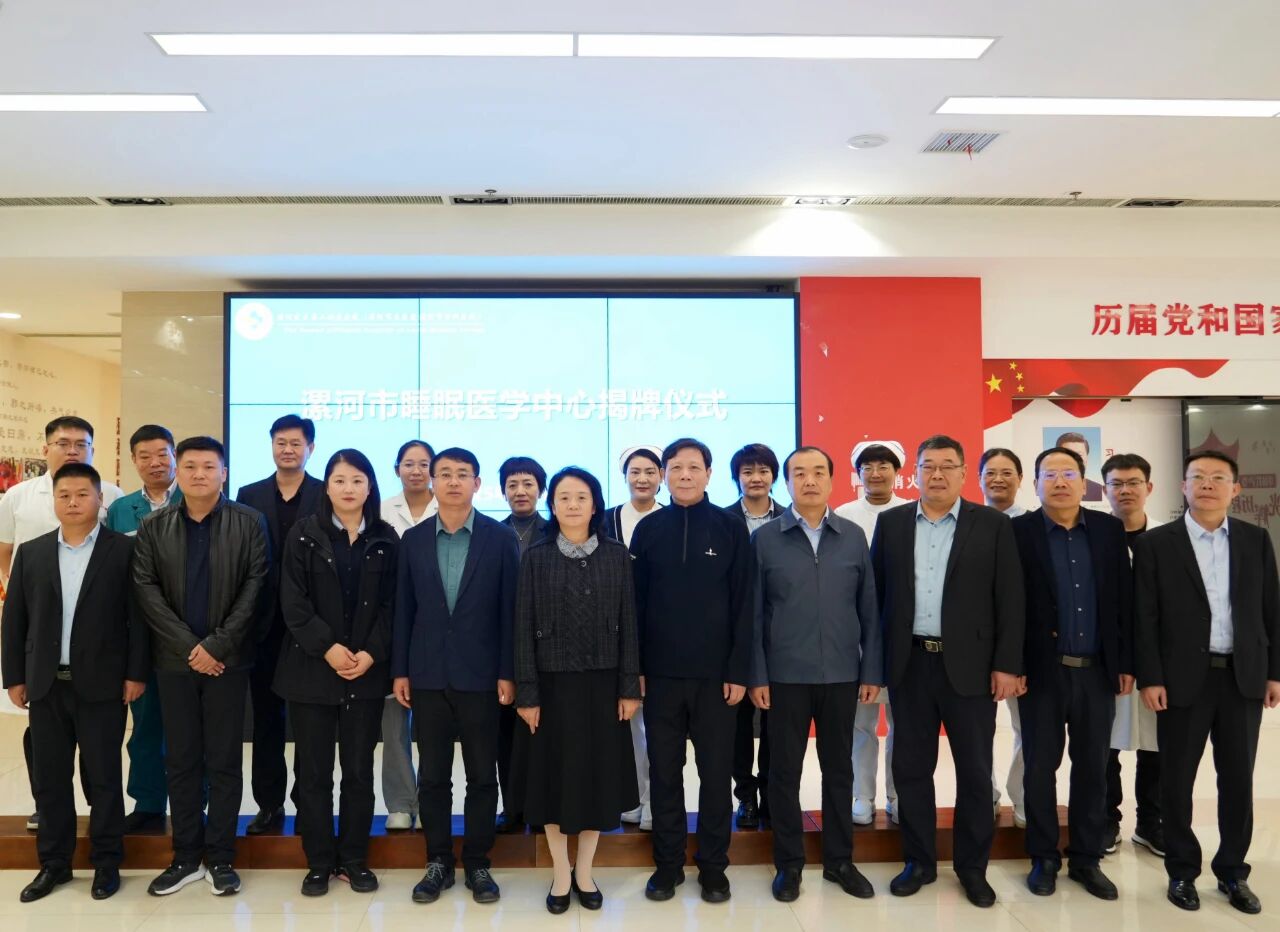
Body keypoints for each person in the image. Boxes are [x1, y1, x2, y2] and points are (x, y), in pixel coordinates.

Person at [870, 435, 1024, 909]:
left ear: (962, 473)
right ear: (915, 472)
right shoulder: (892, 523)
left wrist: (1006, 664)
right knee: (911, 768)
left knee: (975, 771)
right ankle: (918, 862)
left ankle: (972, 868)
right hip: (910, 664)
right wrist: (877, 665)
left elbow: (1010, 598)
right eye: (928, 466)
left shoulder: (992, 524)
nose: (937, 474)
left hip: (972, 669)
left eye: (947, 466)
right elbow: (877, 600)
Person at [1135, 450, 1280, 915]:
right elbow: (1145, 618)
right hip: (1181, 682)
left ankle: (1233, 872)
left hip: (1242, 678)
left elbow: (1271, 610)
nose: (1208, 485)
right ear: (1183, 486)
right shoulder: (1157, 544)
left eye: (1219, 478)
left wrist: (1274, 671)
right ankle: (1182, 871)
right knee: (1176, 781)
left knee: (1237, 780)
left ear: (1235, 489)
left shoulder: (1255, 540)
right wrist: (1150, 678)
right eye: (1198, 477)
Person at [2, 463, 148, 902]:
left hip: (103, 684)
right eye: (63, 494)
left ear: (100, 500)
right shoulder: (33, 552)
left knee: (102, 778)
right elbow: (15, 620)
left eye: (82, 494)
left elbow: (139, 619)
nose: (72, 502)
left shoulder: (124, 551)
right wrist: (14, 677)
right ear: (54, 500)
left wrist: (135, 673)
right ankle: (54, 863)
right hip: (46, 684)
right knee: (50, 779)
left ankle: (106, 862)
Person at [133, 436, 269, 896]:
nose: (198, 474)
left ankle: (222, 857)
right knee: (182, 760)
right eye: (189, 466)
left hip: (228, 664)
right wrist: (191, 647)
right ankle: (186, 856)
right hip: (174, 664)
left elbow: (255, 587)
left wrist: (217, 647)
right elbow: (146, 590)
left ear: (223, 474)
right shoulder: (153, 525)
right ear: (178, 470)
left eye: (208, 467)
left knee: (225, 760)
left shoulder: (249, 521)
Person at [749, 446, 882, 903]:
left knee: (839, 769)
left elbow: (870, 609)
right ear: (786, 483)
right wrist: (758, 674)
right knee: (783, 773)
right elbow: (753, 615)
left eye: (818, 472)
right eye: (799, 473)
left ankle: (839, 860)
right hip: (784, 676)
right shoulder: (766, 539)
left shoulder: (853, 536)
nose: (809, 480)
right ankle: (789, 864)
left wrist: (871, 669)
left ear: (831, 480)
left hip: (842, 673)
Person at [392, 447, 520, 906]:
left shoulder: (500, 539)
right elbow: (404, 610)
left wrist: (508, 672)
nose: (451, 481)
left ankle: (479, 862)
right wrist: (401, 670)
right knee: (433, 776)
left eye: (461, 474)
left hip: (483, 676)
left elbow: (511, 611)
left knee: (483, 775)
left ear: (476, 484)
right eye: (443, 473)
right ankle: (438, 861)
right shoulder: (413, 540)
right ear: (432, 481)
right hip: (427, 674)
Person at [511, 466, 641, 914]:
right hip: (550, 687)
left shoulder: (616, 555)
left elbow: (629, 626)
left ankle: (584, 870)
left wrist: (629, 688)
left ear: (594, 504)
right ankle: (560, 873)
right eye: (563, 497)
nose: (572, 504)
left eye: (581, 497)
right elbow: (522, 628)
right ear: (552, 504)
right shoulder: (536, 556)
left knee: (595, 782)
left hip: (603, 687)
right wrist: (527, 693)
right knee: (552, 782)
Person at [631, 438, 753, 904]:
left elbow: (744, 604)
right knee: (665, 773)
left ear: (708, 474)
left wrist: (738, 670)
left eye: (694, 467)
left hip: (716, 679)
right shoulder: (649, 529)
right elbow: (635, 605)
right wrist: (637, 668)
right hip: (660, 677)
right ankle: (667, 865)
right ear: (664, 474)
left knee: (716, 774)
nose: (685, 474)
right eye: (676, 467)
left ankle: (714, 868)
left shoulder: (730, 527)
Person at [276, 449, 398, 896]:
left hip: (365, 673)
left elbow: (392, 606)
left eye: (357, 480)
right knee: (313, 774)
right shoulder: (303, 535)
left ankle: (353, 859)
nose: (349, 489)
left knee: (358, 772)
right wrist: (327, 647)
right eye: (340, 480)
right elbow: (292, 601)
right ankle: (318, 862)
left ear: (370, 487)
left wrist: (370, 654)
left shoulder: (385, 538)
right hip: (312, 669)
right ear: (326, 486)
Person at [1013, 447, 1133, 901]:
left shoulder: (1107, 530)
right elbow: (1009, 605)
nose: (1060, 482)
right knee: (1040, 767)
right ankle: (1043, 857)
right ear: (1036, 484)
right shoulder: (1018, 532)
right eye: (1050, 475)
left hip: (1097, 673)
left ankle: (1086, 859)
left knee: (1093, 768)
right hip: (1041, 673)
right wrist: (1013, 665)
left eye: (1069, 473)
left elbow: (1122, 601)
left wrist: (1125, 663)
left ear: (1085, 484)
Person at [0, 415, 123, 832]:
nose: (72, 502)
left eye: (80, 444)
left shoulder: (115, 508)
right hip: (44, 657)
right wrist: (15, 673)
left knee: (102, 769)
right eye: (63, 443)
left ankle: (104, 850)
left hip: (99, 663)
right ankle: (52, 848)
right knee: (49, 767)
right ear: (46, 448)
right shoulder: (19, 502)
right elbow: (7, 561)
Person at [235, 414, 324, 835]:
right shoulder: (249, 494)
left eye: (295, 443)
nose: (287, 449)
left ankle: (308, 804)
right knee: (267, 721)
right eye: (280, 442)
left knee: (310, 722)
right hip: (264, 625)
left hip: (312, 625)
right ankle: (269, 805)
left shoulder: (326, 493)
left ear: (310, 448)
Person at [106, 424, 182, 834]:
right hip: (141, 632)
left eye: (162, 454)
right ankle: (149, 802)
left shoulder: (197, 496)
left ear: (174, 455)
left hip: (190, 632)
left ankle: (195, 803)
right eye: (145, 456)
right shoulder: (121, 509)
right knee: (146, 724)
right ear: (133, 461)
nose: (155, 463)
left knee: (192, 727)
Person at [834, 440, 909, 827]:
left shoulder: (911, 512)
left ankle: (897, 795)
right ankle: (861, 795)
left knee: (902, 723)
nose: (876, 473)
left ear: (897, 472)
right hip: (856, 635)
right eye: (868, 466)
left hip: (900, 633)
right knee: (860, 724)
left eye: (884, 466)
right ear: (858, 473)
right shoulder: (843, 516)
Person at [1102, 452, 1164, 857]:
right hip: (1108, 659)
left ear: (1149, 487)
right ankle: (1107, 820)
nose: (1125, 490)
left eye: (1133, 483)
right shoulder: (1095, 536)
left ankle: (1150, 823)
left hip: (1158, 660)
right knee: (1103, 747)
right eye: (1117, 484)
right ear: (1105, 490)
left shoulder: (1168, 537)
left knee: (1157, 747)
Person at [601, 444, 664, 832]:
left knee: (658, 725)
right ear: (624, 476)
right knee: (628, 724)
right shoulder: (606, 519)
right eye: (635, 472)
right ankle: (633, 797)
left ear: (661, 476)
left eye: (650, 471)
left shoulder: (671, 518)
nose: (642, 479)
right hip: (613, 634)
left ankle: (656, 801)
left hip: (659, 634)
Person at [723, 442, 786, 830]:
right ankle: (745, 796)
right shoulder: (723, 520)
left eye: (763, 470)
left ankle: (770, 792)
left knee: (777, 724)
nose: (756, 478)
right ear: (737, 478)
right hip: (733, 636)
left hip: (779, 636)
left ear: (773, 476)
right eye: (748, 471)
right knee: (738, 725)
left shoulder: (790, 518)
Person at [379, 440, 438, 832]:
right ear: (397, 468)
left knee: (434, 725)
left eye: (424, 464)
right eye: (408, 464)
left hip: (436, 631)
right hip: (391, 627)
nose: (416, 471)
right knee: (394, 722)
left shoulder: (449, 509)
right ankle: (401, 802)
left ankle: (431, 800)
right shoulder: (381, 512)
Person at [496, 455, 550, 834]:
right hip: (502, 647)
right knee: (506, 736)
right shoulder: (492, 534)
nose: (520, 491)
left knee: (543, 734)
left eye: (528, 484)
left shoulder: (555, 531)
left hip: (546, 649)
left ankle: (542, 807)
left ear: (540, 490)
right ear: (503, 491)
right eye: (512, 485)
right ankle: (512, 808)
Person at [979, 447, 1027, 828]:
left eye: (1006, 472)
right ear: (978, 478)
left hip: (1021, 645)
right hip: (974, 645)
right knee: (978, 730)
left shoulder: (1031, 525)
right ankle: (987, 793)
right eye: (991, 472)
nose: (998, 479)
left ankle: (1023, 797)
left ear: (1021, 479)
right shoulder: (968, 523)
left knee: (1026, 727)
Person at [1055, 432, 1105, 502]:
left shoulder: (1099, 490)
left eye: (1079, 455)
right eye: (1067, 454)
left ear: (1087, 457)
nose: (1074, 460)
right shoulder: (1048, 488)